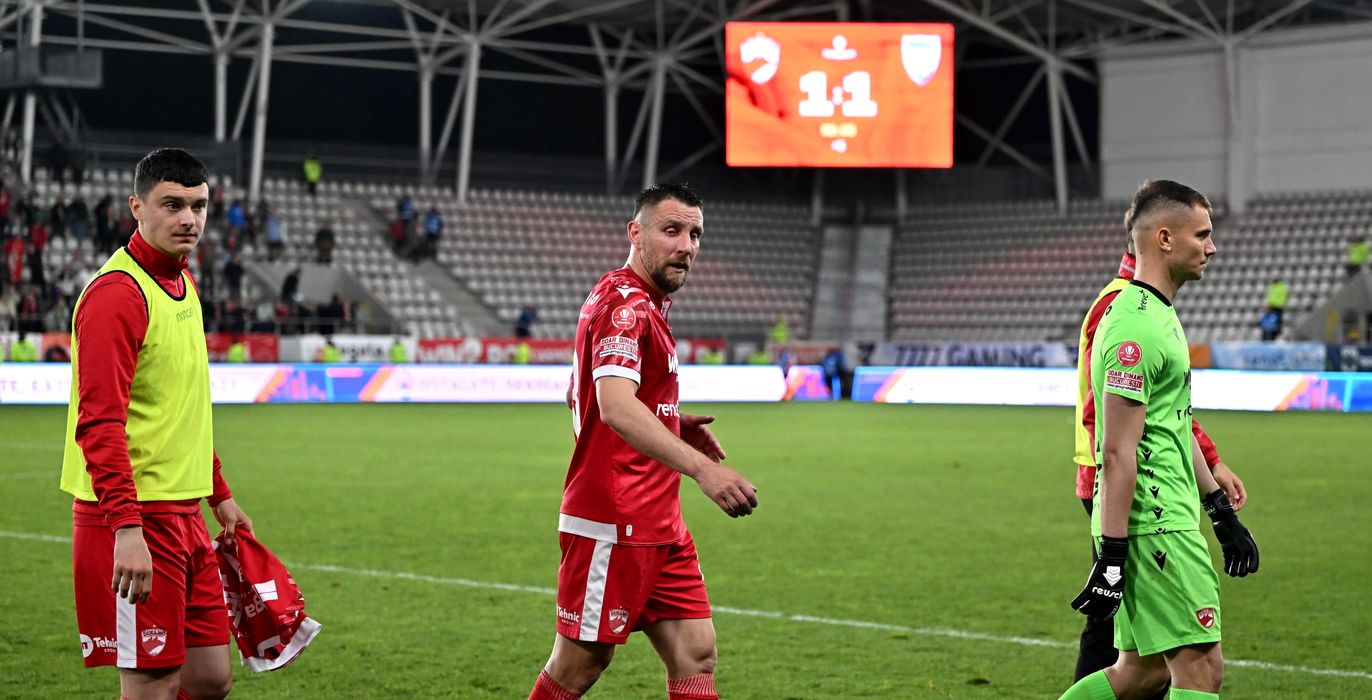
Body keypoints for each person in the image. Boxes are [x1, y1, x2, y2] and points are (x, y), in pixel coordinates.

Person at [526, 183, 757, 700]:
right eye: (672, 230)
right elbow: (613, 404)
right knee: (579, 666)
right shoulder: (625, 306)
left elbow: (579, 392)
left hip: (658, 520)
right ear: (636, 233)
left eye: (695, 234)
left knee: (695, 652)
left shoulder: (633, 298)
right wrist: (703, 469)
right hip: (614, 520)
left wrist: (669, 419)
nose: (686, 246)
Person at [59, 148, 254, 700]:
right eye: (172, 205)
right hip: (135, 518)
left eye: (199, 206)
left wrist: (219, 493)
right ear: (137, 208)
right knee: (152, 684)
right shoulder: (118, 295)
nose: (189, 219)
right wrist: (126, 531)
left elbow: (182, 407)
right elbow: (99, 424)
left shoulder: (182, 282)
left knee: (209, 678)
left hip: (183, 512)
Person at [1062, 180, 1259, 700]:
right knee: (1201, 670)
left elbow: (1174, 421)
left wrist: (1219, 509)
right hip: (1155, 523)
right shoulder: (1134, 327)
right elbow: (1115, 450)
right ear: (1165, 239)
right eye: (1203, 235)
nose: (1212, 247)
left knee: (1142, 671)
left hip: (1166, 515)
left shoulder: (1158, 313)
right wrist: (1111, 554)